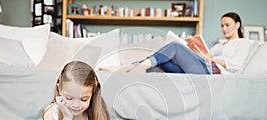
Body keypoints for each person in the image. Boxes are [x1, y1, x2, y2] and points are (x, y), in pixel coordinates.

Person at [99, 12, 253, 74]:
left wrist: (209, 58)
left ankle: (131, 66)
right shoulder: (219, 45)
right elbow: (206, 57)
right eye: (222, 26)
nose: (224, 29)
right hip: (203, 65)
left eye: (227, 25)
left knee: (174, 47)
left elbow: (236, 65)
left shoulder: (244, 44)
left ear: (237, 25)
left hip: (214, 72)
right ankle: (129, 70)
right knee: (163, 62)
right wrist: (198, 52)